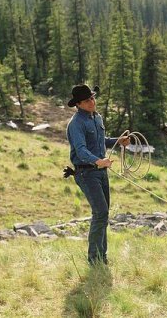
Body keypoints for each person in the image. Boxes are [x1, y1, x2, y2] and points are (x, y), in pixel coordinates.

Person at [66, 84, 129, 265]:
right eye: (87, 100)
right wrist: (98, 161)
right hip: (86, 173)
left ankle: (102, 257)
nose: (92, 102)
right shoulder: (76, 124)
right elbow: (81, 150)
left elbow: (102, 141)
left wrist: (118, 140)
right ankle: (94, 259)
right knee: (100, 213)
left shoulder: (97, 118)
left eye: (92, 98)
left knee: (103, 214)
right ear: (78, 104)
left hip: (100, 173)